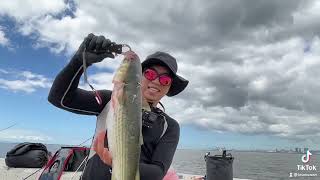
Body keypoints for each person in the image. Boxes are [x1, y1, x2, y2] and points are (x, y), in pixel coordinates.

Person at [48, 33, 189, 180]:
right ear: (139, 75)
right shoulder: (110, 100)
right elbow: (59, 98)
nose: (157, 81)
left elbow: (158, 171)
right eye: (150, 73)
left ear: (169, 87)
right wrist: (78, 61)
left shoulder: (169, 126)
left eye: (165, 79)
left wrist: (116, 163)